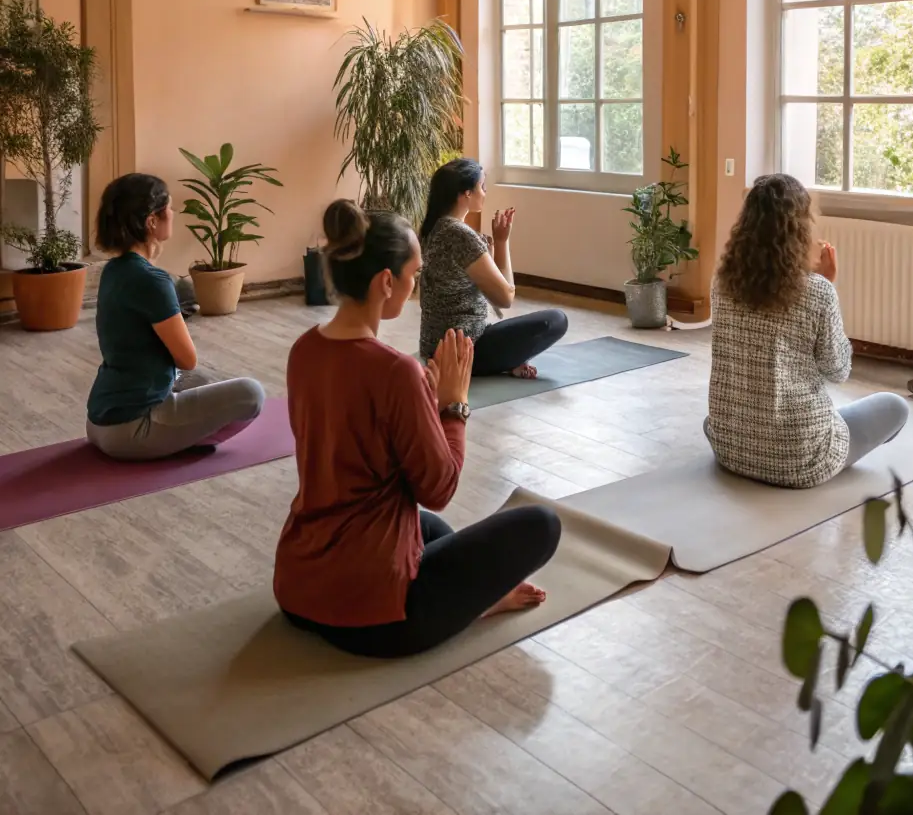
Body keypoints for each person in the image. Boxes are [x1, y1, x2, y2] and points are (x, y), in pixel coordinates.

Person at [274, 200, 562, 658]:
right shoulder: (396, 371)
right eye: (414, 274)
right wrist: (453, 405)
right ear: (386, 282)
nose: (417, 285)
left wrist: (422, 402)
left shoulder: (304, 350)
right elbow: (439, 485)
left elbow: (358, 449)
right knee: (542, 524)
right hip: (373, 618)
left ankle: (471, 595)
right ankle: (474, 602)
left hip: (297, 587)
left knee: (423, 526)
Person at [705, 173, 909, 489]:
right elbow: (838, 370)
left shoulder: (721, 284)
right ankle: (809, 435)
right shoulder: (816, 291)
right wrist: (826, 283)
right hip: (798, 458)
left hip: (730, 448)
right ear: (800, 229)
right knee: (896, 407)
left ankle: (783, 432)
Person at [85, 174, 265, 460]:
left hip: (98, 421)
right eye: (168, 207)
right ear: (151, 221)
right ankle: (178, 440)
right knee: (251, 393)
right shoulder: (153, 280)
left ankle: (177, 434)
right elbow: (187, 358)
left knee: (203, 380)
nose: (173, 212)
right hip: (133, 428)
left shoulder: (113, 271)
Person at [418, 159, 568, 378]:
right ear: (467, 193)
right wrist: (500, 244)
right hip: (466, 349)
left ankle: (507, 361)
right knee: (556, 319)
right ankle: (505, 362)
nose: (485, 192)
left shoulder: (433, 229)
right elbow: (505, 298)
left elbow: (498, 288)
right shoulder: (460, 235)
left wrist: (500, 241)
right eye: (482, 186)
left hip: (434, 348)